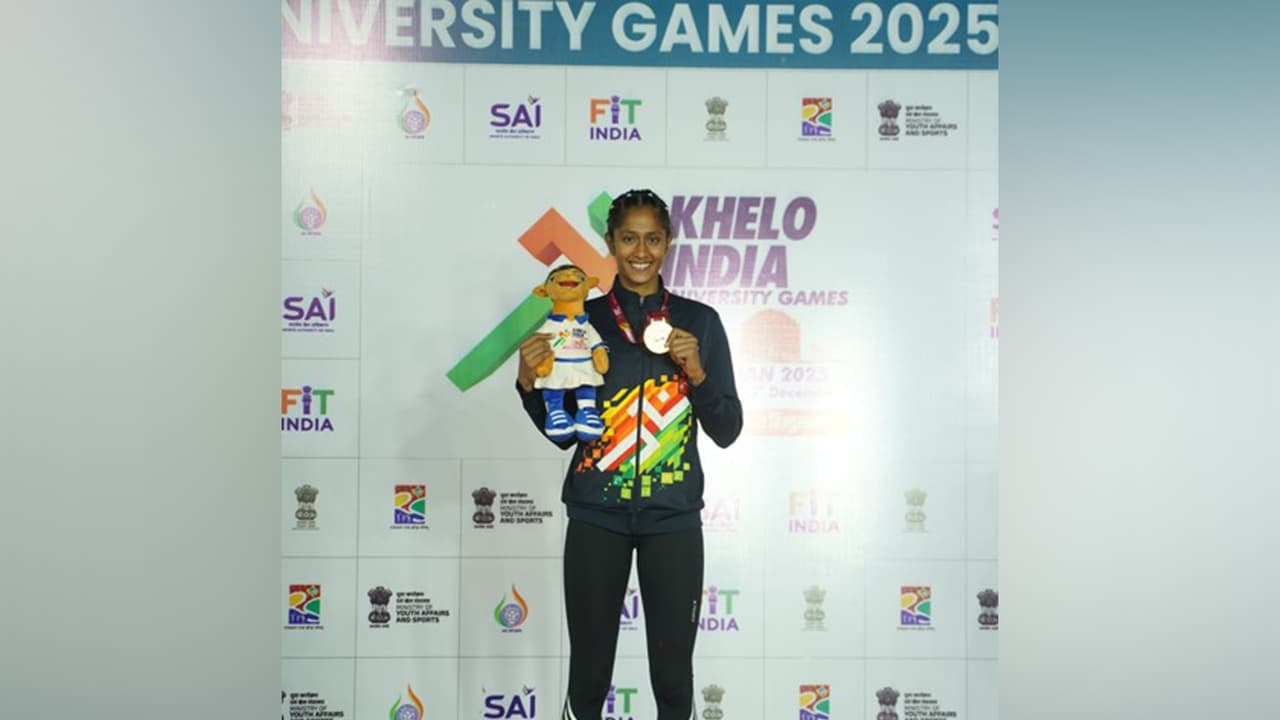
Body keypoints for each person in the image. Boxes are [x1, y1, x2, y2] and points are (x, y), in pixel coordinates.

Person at [516, 189, 743, 720]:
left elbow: (728, 428)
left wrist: (699, 374)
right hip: (597, 518)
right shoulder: (582, 323)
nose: (641, 251)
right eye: (628, 238)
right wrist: (530, 385)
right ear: (611, 243)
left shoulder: (701, 323)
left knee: (671, 678)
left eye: (653, 238)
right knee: (590, 675)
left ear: (668, 243)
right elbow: (567, 433)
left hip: (673, 522)